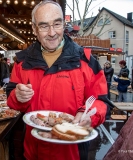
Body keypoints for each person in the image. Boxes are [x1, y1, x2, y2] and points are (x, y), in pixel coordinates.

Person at [6, 1, 111, 160]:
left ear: (64, 24)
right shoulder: (21, 63)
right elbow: (11, 99)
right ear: (34, 29)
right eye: (43, 26)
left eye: (57, 24)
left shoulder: (86, 61)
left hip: (71, 153)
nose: (52, 32)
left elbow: (102, 101)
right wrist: (17, 96)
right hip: (32, 152)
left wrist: (89, 115)